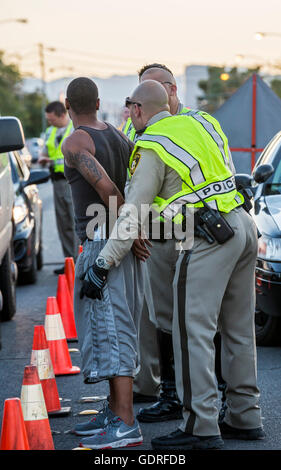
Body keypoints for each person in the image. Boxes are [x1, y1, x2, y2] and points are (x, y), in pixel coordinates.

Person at [81, 79, 264, 450]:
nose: (128, 116)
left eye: (129, 108)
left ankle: (201, 427)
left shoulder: (152, 144)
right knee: (239, 330)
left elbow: (132, 212)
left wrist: (102, 264)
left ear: (136, 110)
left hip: (206, 237)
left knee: (190, 331)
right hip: (242, 226)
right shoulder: (202, 123)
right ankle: (245, 417)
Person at [125, 63, 228, 424]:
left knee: (201, 321)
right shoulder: (136, 124)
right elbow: (133, 182)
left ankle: (213, 398)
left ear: (170, 89)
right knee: (161, 318)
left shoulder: (200, 121)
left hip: (197, 233)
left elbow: (222, 168)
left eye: (149, 88)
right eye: (139, 91)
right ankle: (169, 393)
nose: (140, 102)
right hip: (158, 236)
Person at [61, 77, 146, 450]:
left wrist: (129, 229)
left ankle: (125, 424)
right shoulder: (118, 134)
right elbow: (135, 183)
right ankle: (115, 412)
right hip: (119, 238)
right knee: (113, 326)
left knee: (113, 331)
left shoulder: (75, 141)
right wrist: (133, 229)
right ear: (98, 101)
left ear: (67, 105)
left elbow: (109, 189)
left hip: (102, 241)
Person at [39, 101, 78, 274]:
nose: (50, 122)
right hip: (56, 182)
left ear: (62, 114)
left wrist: (51, 161)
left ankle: (79, 262)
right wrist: (42, 157)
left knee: (75, 222)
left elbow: (74, 157)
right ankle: (69, 261)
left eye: (52, 118)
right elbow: (45, 152)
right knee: (63, 224)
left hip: (71, 182)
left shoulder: (75, 130)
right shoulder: (50, 131)